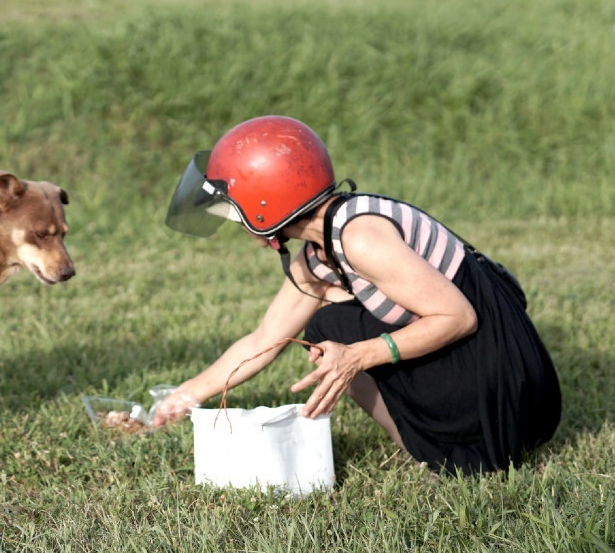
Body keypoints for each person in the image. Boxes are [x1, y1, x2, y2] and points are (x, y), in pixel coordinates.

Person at [152, 115, 561, 475]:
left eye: (237, 211)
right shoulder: (322, 248)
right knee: (326, 322)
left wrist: (358, 355)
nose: (238, 223)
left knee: (333, 327)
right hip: (511, 389)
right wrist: (179, 399)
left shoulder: (360, 237)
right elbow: (264, 339)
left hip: (509, 400)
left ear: (265, 205)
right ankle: (427, 453)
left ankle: (445, 456)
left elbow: (459, 318)